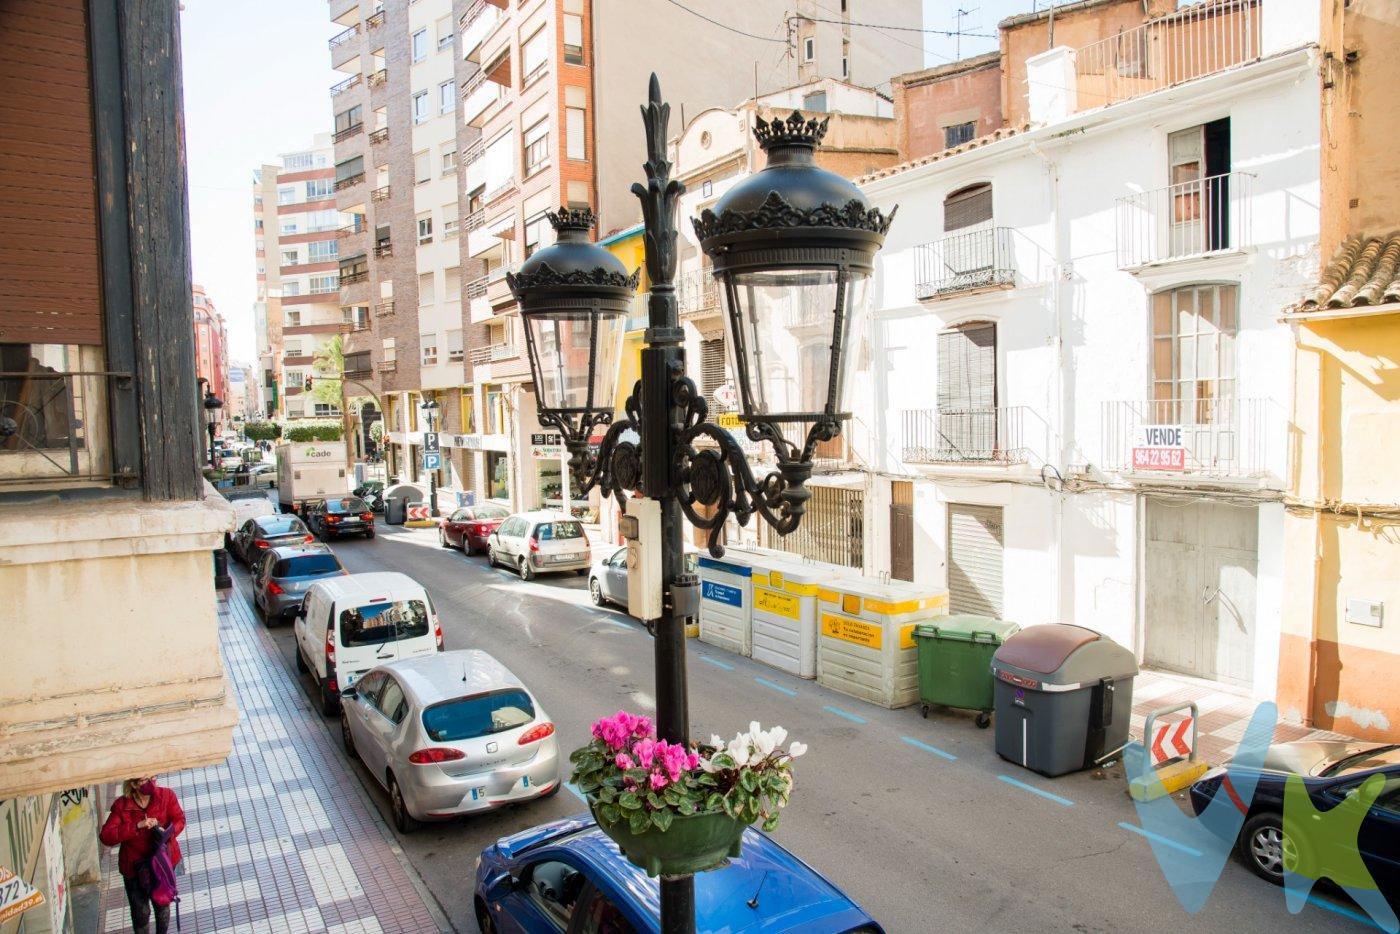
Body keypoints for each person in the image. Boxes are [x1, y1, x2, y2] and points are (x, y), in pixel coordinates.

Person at [99, 776, 185, 934]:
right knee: (140, 912)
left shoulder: (166, 796)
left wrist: (166, 833)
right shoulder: (122, 805)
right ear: (133, 784)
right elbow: (106, 836)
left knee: (162, 906)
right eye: (146, 779)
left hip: (163, 864)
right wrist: (136, 826)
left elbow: (179, 820)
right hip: (135, 868)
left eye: (153, 777)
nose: (152, 783)